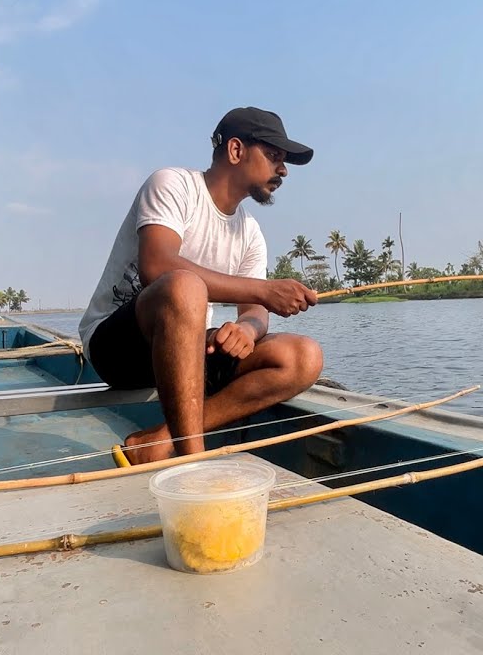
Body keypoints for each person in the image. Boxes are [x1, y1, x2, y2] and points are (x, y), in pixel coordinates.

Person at [78, 107, 324, 466]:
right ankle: (193, 465)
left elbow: (255, 312)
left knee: (303, 356)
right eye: (274, 156)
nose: (283, 170)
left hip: (188, 351)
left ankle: (161, 440)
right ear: (236, 150)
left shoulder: (250, 232)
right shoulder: (172, 185)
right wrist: (263, 290)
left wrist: (246, 329)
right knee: (184, 286)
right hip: (119, 350)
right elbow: (156, 266)